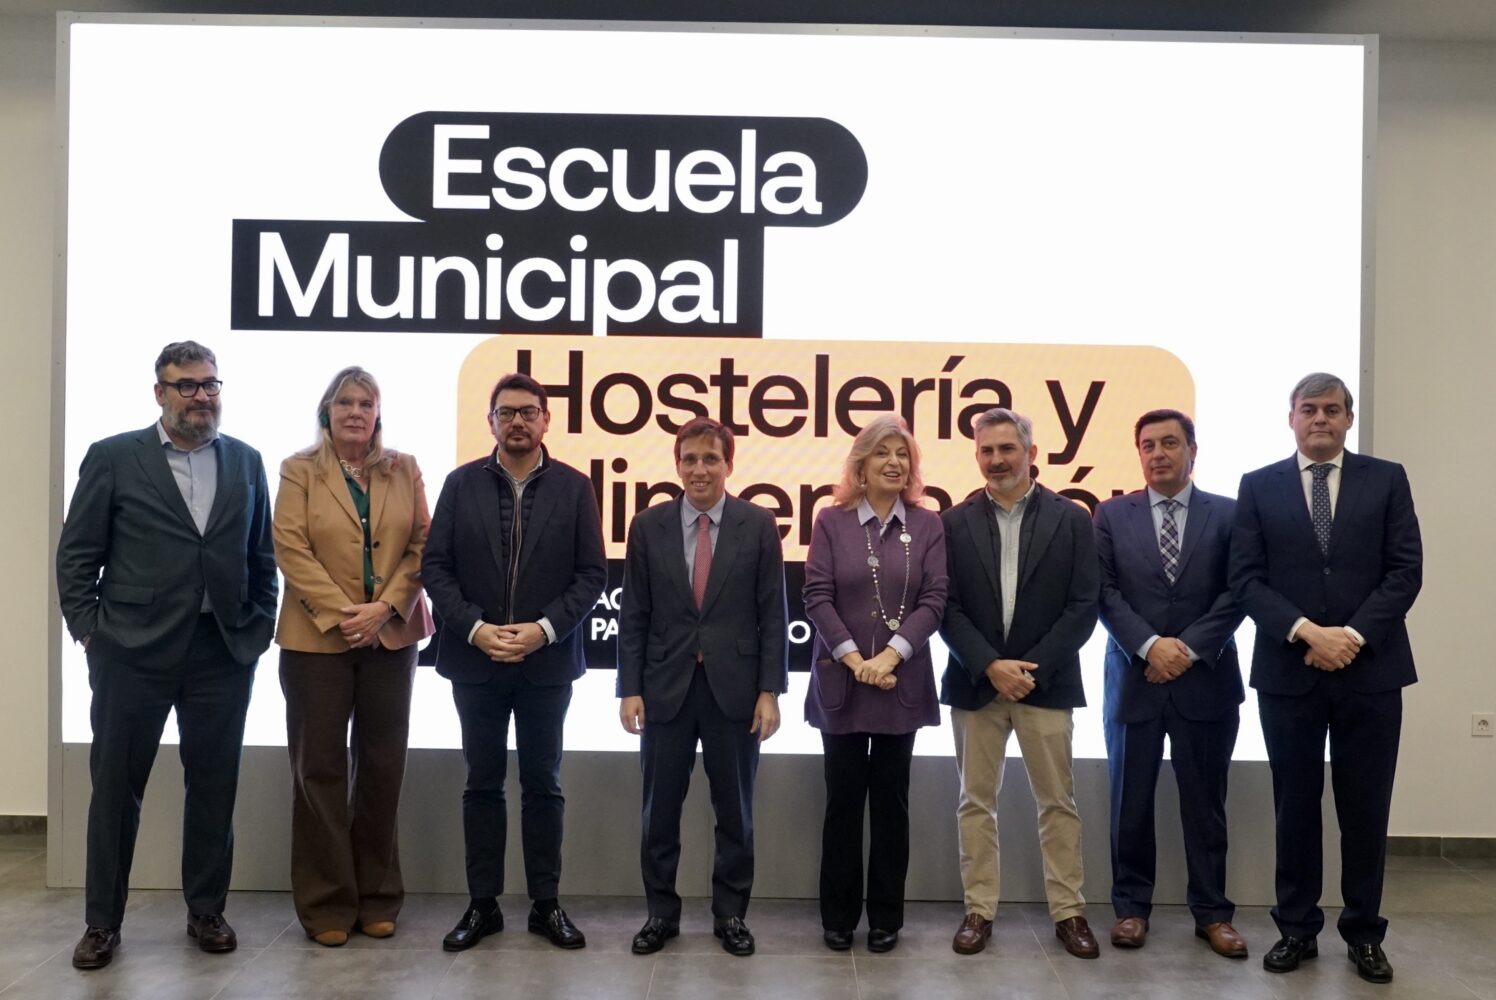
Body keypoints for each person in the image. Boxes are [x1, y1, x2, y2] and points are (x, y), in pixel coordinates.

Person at [56, 341, 277, 970]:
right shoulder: (114, 456)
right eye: (187, 385)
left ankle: (206, 911)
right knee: (115, 790)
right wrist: (91, 632)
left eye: (210, 384)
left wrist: (256, 629)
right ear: (160, 393)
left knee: (213, 786)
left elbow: (262, 557)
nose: (201, 396)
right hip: (131, 652)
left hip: (221, 651)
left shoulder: (246, 460)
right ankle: (102, 923)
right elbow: (76, 556)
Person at [1230, 373, 1421, 985]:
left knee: (1366, 807)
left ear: (1348, 418)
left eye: (1332, 410)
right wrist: (1308, 632)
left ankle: (1364, 934)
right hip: (1290, 670)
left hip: (1372, 671)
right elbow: (1245, 579)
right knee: (1295, 804)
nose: (1320, 419)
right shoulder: (1258, 486)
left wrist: (1352, 637)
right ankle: (1296, 929)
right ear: (1291, 418)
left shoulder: (1386, 479)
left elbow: (1405, 572)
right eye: (1309, 409)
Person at [421, 372, 606, 953]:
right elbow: (435, 569)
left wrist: (543, 630)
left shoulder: (575, 487)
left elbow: (592, 575)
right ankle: (483, 905)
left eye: (529, 412)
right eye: (507, 413)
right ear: (491, 422)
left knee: (543, 785)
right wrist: (476, 629)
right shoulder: (460, 484)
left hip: (545, 663)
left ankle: (546, 905)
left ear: (546, 420)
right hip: (475, 660)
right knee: (481, 784)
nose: (518, 421)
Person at [272, 366, 435, 947]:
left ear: (378, 413)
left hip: (390, 638)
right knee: (318, 770)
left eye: (366, 403)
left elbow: (423, 545)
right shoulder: (298, 469)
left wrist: (385, 608)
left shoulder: (404, 468)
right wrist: (347, 614)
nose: (356, 412)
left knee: (383, 766)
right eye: (345, 402)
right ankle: (327, 905)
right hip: (317, 640)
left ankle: (378, 898)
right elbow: (290, 547)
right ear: (327, 412)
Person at [616, 417, 788, 957]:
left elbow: (773, 614)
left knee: (735, 814)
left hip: (735, 692)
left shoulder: (758, 525)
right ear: (677, 465)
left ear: (729, 465)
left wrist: (770, 690)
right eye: (689, 459)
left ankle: (730, 915)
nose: (699, 469)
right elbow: (634, 614)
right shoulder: (648, 526)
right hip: (664, 689)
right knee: (658, 814)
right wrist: (629, 688)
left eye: (711, 459)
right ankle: (660, 915)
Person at [939, 407, 1100, 959]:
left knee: (1058, 803)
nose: (997, 460)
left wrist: (1028, 669)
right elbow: (946, 607)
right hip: (976, 683)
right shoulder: (952, 523)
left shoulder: (1073, 519)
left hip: (1045, 685)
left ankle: (1069, 913)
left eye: (1007, 449)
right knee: (974, 804)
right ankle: (979, 911)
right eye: (986, 450)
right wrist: (990, 665)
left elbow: (1084, 605)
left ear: (1031, 453)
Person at [1094, 409, 1246, 957]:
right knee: (1129, 803)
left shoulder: (1229, 515)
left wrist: (1184, 650)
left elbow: (1239, 591)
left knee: (1206, 805)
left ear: (1192, 450)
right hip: (1134, 680)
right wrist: (1149, 646)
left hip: (1205, 681)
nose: (1158, 453)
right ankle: (1131, 909)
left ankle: (1213, 913)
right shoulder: (1111, 515)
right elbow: (1104, 592)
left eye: (1169, 443)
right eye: (1148, 445)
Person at [802, 414, 947, 954]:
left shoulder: (928, 524)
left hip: (899, 683)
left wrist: (889, 656)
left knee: (891, 804)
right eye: (883, 452)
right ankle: (838, 917)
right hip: (842, 683)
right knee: (842, 803)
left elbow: (935, 599)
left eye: (902, 453)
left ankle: (886, 916)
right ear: (860, 464)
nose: (894, 462)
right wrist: (854, 659)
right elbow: (816, 595)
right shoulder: (831, 520)